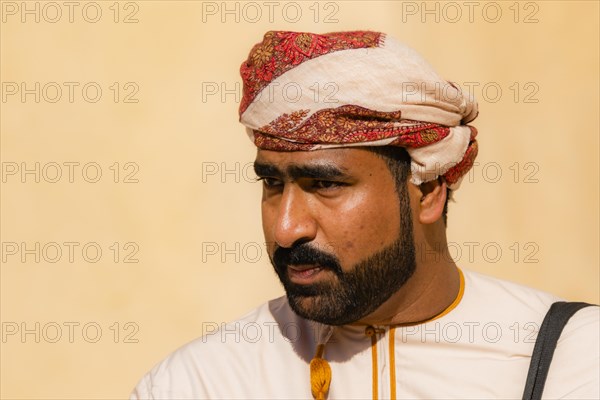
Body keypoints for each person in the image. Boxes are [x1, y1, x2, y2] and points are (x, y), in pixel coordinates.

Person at [130, 30, 599, 399]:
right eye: (273, 183)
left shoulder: (570, 358)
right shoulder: (199, 383)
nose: (286, 227)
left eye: (326, 185)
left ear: (429, 190)